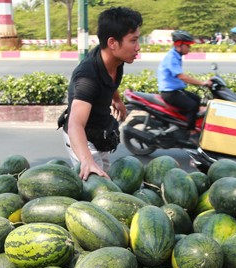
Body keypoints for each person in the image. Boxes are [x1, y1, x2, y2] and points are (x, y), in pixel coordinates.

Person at [61, 6, 142, 180]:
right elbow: (76, 124)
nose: (138, 47)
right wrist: (87, 160)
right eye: (133, 40)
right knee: (98, 189)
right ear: (113, 43)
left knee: (107, 178)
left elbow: (110, 82)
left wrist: (117, 100)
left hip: (100, 133)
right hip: (84, 140)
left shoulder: (116, 61)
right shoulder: (87, 77)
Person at [157, 30, 213, 138]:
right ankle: (191, 131)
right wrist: (202, 83)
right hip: (170, 93)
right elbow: (181, 76)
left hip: (176, 91)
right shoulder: (172, 57)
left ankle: (182, 123)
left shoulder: (176, 55)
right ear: (179, 45)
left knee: (197, 99)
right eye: (187, 45)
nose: (189, 48)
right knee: (192, 106)